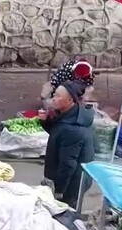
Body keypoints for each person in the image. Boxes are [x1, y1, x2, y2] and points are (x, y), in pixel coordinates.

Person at [41, 80, 95, 208]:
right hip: (70, 178)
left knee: (66, 212)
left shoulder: (74, 129)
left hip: (72, 183)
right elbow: (58, 133)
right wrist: (46, 122)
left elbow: (68, 164)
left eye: (57, 96)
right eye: (54, 95)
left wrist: (59, 190)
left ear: (69, 100)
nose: (53, 99)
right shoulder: (71, 114)